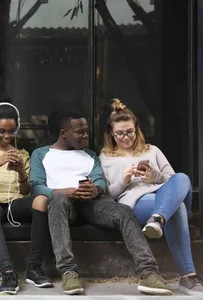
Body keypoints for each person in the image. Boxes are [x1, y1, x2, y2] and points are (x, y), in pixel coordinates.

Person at [30, 110, 171, 296]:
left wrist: (95, 189)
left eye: (86, 131)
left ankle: (149, 273)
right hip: (63, 203)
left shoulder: (90, 155)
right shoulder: (41, 154)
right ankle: (68, 272)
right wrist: (64, 191)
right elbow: (36, 186)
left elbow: (100, 181)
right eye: (80, 132)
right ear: (63, 132)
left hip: (92, 203)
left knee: (124, 211)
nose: (85, 135)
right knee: (56, 200)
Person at [99, 99, 202, 295]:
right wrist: (124, 180)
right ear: (111, 133)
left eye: (129, 131)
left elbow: (175, 182)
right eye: (119, 133)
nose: (126, 137)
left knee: (182, 177)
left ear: (136, 129)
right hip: (137, 202)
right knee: (177, 208)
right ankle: (188, 277)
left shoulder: (152, 150)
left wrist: (154, 176)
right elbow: (108, 196)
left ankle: (158, 219)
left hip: (164, 196)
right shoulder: (105, 157)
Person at [0, 100, 52, 295]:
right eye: (1, 131)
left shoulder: (22, 153)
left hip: (13, 204)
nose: (7, 136)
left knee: (41, 200)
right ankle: (7, 272)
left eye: (12, 131)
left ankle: (34, 268)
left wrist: (22, 174)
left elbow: (26, 193)